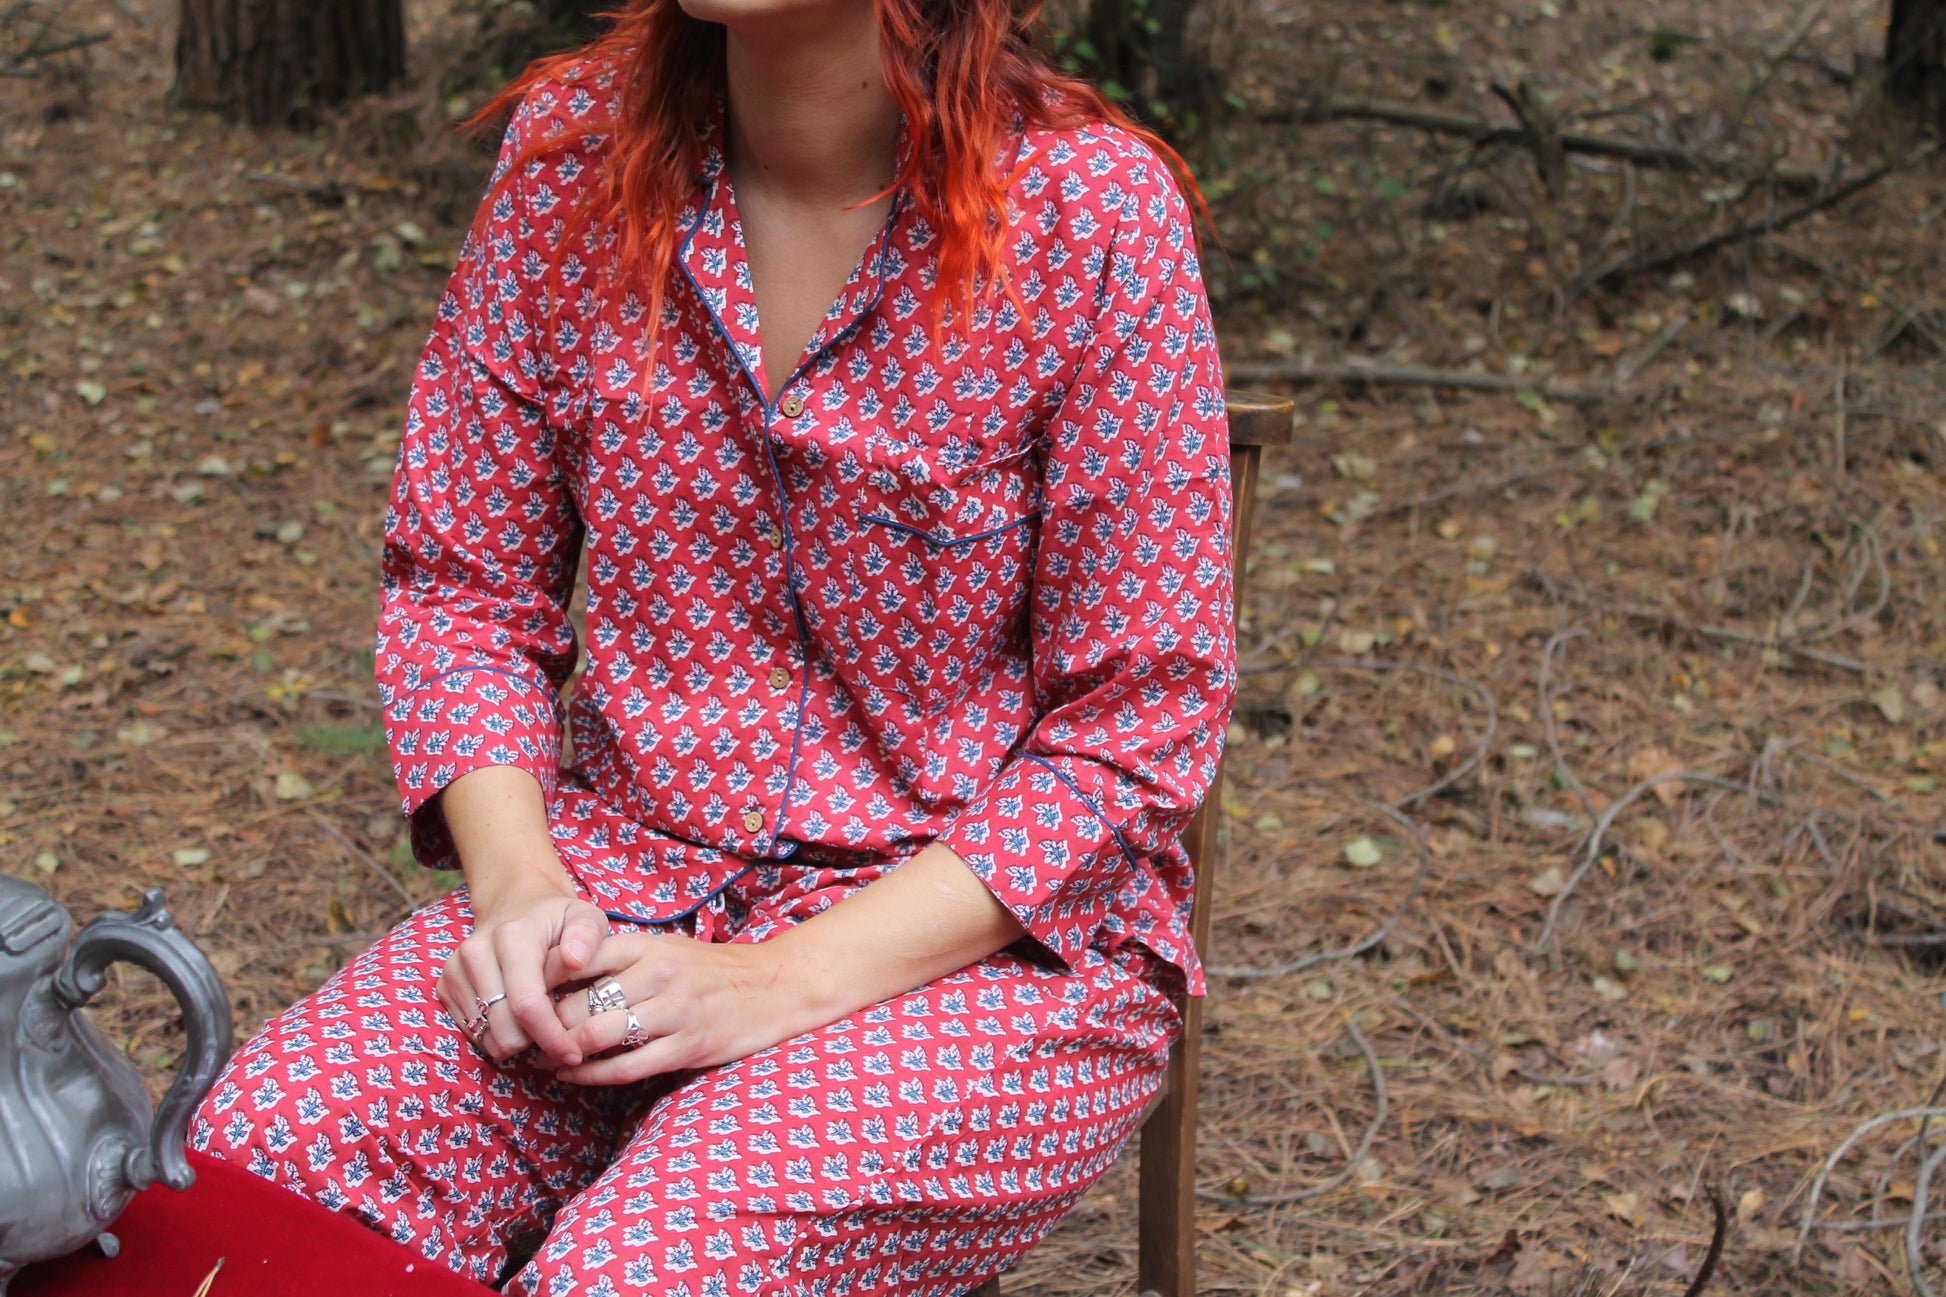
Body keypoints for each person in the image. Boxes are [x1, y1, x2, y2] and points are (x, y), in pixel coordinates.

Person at [190, 0, 1234, 1288]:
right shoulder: (574, 160)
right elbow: (461, 589)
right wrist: (520, 891)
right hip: (617, 885)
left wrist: (777, 983)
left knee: (642, 1272)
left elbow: (1137, 726)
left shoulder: (1087, 210)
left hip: (987, 949)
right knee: (253, 1174)